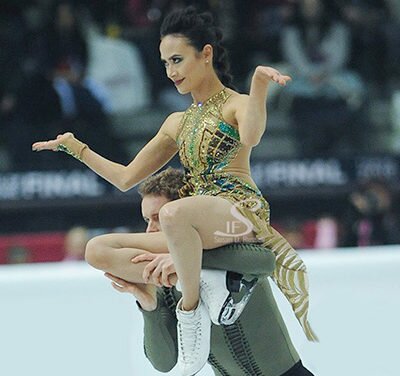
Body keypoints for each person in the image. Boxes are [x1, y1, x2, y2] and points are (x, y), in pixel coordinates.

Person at [32, 6, 317, 375]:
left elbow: (251, 136)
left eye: (178, 59)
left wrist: (258, 87)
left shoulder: (236, 104)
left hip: (237, 212)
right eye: (166, 63)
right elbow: (124, 178)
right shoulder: (176, 122)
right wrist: (78, 148)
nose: (171, 71)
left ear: (207, 53)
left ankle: (190, 313)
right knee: (98, 248)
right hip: (193, 227)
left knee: (172, 214)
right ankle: (194, 274)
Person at [105, 167, 314, 375]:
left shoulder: (230, 248)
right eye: (146, 220)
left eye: (158, 217)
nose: (150, 230)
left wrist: (185, 260)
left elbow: (267, 261)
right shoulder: (166, 280)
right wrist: (149, 307)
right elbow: (163, 362)